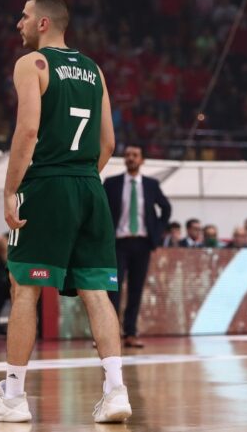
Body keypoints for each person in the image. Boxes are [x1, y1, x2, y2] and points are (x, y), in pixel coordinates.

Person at [0, 0, 131, 424]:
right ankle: (116, 391)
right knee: (96, 291)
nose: (18, 23)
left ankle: (14, 397)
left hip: (47, 185)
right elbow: (109, 142)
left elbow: (27, 130)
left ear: (43, 23)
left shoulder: (33, 64)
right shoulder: (94, 70)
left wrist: (11, 190)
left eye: (24, 16)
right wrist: (81, 180)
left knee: (24, 287)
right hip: (89, 186)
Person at [103, 144, 172, 348]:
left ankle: (130, 333)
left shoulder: (151, 184)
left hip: (142, 243)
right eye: (127, 155)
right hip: (118, 243)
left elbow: (166, 208)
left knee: (136, 289)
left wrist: (156, 232)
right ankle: (110, 333)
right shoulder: (112, 183)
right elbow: (101, 209)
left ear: (142, 160)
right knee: (113, 288)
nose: (131, 158)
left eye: (135, 155)